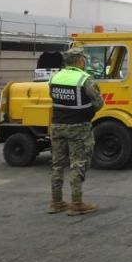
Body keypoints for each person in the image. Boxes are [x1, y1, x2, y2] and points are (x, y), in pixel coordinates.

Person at [48, 47, 103, 216]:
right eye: (83, 59)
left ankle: (56, 202)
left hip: (57, 126)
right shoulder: (84, 79)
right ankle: (76, 203)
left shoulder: (54, 77)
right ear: (80, 60)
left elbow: (54, 99)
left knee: (57, 165)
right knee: (77, 164)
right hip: (78, 127)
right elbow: (99, 104)